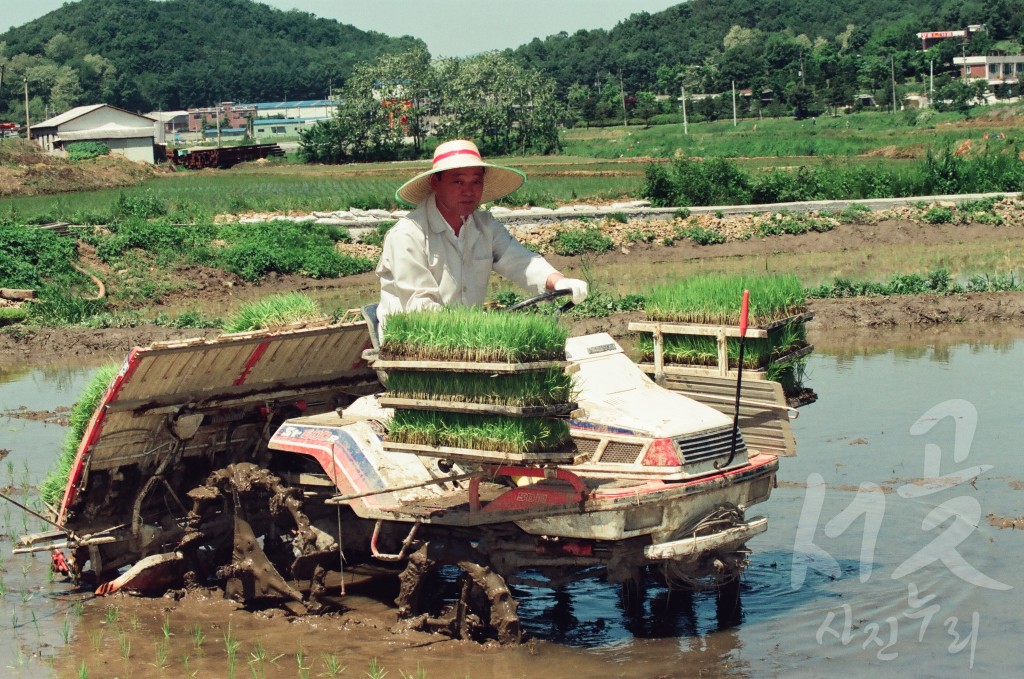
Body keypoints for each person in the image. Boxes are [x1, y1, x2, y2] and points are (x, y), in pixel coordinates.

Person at [375, 139, 588, 329]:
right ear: (435, 183)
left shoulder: (485, 226)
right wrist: (479, 332)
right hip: (411, 344)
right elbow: (421, 309)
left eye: (476, 181)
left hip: (464, 339)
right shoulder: (407, 236)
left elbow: (521, 261)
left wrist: (559, 282)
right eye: (458, 182)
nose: (469, 191)